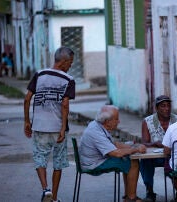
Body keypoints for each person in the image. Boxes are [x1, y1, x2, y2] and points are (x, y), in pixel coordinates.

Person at [24, 46, 75, 202]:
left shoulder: (39, 75)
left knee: (40, 159)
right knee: (58, 163)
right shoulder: (69, 80)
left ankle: (46, 190)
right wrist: (62, 128)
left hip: (39, 125)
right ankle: (54, 198)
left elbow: (27, 99)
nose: (70, 66)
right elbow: (65, 105)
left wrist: (27, 121)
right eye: (70, 62)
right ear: (64, 61)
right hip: (58, 127)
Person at [80, 105, 146, 202]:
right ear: (107, 121)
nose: (119, 122)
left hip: (93, 160)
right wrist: (135, 150)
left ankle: (128, 196)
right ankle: (131, 198)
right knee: (132, 162)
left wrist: (133, 145)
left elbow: (113, 144)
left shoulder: (97, 125)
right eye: (116, 119)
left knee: (127, 157)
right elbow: (116, 153)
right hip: (93, 164)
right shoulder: (96, 132)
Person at [139, 95, 177, 202]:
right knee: (145, 160)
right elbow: (145, 143)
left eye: (168, 106)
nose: (167, 108)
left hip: (174, 156)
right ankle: (150, 191)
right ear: (157, 108)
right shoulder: (147, 121)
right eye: (163, 106)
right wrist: (155, 143)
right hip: (156, 157)